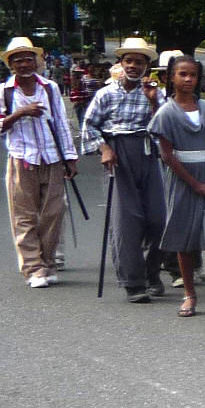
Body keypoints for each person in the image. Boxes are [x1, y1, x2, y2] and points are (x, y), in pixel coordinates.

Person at [150, 54, 205, 318]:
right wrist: (194, 184)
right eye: (183, 75)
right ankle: (189, 295)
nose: (188, 80)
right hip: (183, 179)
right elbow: (167, 156)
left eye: (193, 75)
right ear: (171, 78)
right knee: (185, 239)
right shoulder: (166, 113)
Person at [82, 36, 170, 303]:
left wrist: (154, 101)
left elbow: (165, 125)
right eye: (129, 61)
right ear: (120, 64)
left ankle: (152, 271)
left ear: (147, 66)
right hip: (119, 154)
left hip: (148, 152)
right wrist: (104, 148)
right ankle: (133, 282)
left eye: (139, 62)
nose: (133, 66)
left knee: (159, 218)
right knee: (126, 220)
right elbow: (89, 126)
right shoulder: (106, 93)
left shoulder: (154, 91)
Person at [0, 36, 80, 288]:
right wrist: (18, 114)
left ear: (37, 62)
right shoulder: (3, 92)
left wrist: (70, 157)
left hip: (51, 158)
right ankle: (33, 267)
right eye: (18, 60)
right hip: (21, 158)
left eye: (29, 59)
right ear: (11, 65)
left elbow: (61, 124)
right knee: (23, 216)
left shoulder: (49, 88)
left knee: (53, 213)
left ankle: (48, 262)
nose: (24, 64)